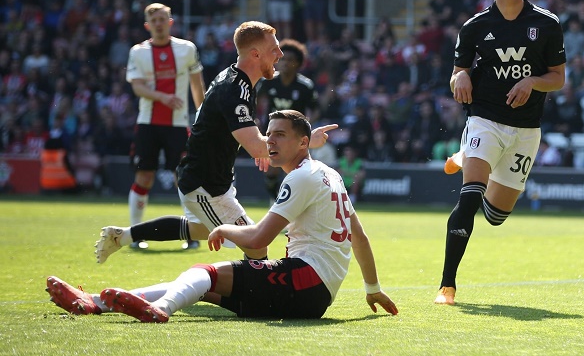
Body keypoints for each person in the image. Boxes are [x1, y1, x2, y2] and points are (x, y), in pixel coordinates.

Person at [47, 110, 398, 322]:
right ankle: (94, 303)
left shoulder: (301, 176)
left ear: (303, 142)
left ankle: (162, 310)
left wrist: (225, 229)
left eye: (279, 135)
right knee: (198, 286)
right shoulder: (329, 174)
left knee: (202, 271)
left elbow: (259, 239)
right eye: (268, 133)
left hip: (305, 280)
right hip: (312, 291)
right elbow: (360, 237)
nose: (270, 141)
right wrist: (373, 290)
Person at [96, 22, 337, 264]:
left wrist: (260, 144)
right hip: (206, 187)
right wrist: (305, 143)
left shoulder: (237, 79)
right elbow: (254, 145)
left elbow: (239, 133)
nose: (281, 55)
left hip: (207, 180)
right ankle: (249, 298)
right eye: (274, 49)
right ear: (256, 54)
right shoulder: (234, 89)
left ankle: (123, 236)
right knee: (256, 242)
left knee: (198, 229)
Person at [436, 0, 566, 305]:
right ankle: (447, 285)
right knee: (470, 196)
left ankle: (467, 156)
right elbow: (456, 74)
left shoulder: (547, 23)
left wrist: (532, 82)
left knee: (495, 217)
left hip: (525, 129)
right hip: (484, 118)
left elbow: (558, 78)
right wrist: (460, 75)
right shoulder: (474, 26)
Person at [125, 3, 206, 251]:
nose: (159, 23)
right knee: (144, 176)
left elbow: (196, 84)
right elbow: (137, 87)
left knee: (183, 178)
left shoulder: (186, 49)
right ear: (147, 25)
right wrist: (163, 97)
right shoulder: (138, 52)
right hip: (147, 124)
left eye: (163, 19)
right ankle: (135, 235)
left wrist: (203, 115)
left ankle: (191, 235)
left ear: (170, 22)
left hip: (178, 124)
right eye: (154, 20)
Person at [256, 39, 318, 202]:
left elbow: (315, 108)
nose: (285, 63)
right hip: (273, 133)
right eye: (282, 59)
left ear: (298, 63)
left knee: (294, 172)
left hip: (295, 136)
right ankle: (274, 201)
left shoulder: (305, 86)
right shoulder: (268, 81)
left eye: (290, 60)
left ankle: (294, 205)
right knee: (271, 172)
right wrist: (254, 120)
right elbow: (254, 102)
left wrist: (307, 125)